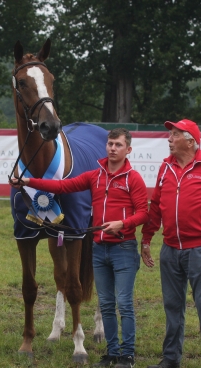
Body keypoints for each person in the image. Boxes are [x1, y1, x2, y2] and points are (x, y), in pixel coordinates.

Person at [9, 128, 149, 368]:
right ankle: (112, 352)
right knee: (105, 302)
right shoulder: (94, 176)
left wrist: (123, 224)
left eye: (118, 145)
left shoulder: (133, 178)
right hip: (99, 245)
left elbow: (144, 212)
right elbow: (64, 187)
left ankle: (128, 354)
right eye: (110, 144)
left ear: (128, 150)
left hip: (123, 246)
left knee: (124, 303)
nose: (113, 148)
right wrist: (28, 181)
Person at [141, 119, 201, 368]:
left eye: (175, 134)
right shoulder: (165, 168)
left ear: (190, 140)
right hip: (170, 250)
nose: (169, 138)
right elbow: (156, 206)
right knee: (172, 307)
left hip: (198, 249)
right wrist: (146, 238)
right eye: (169, 134)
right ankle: (171, 358)